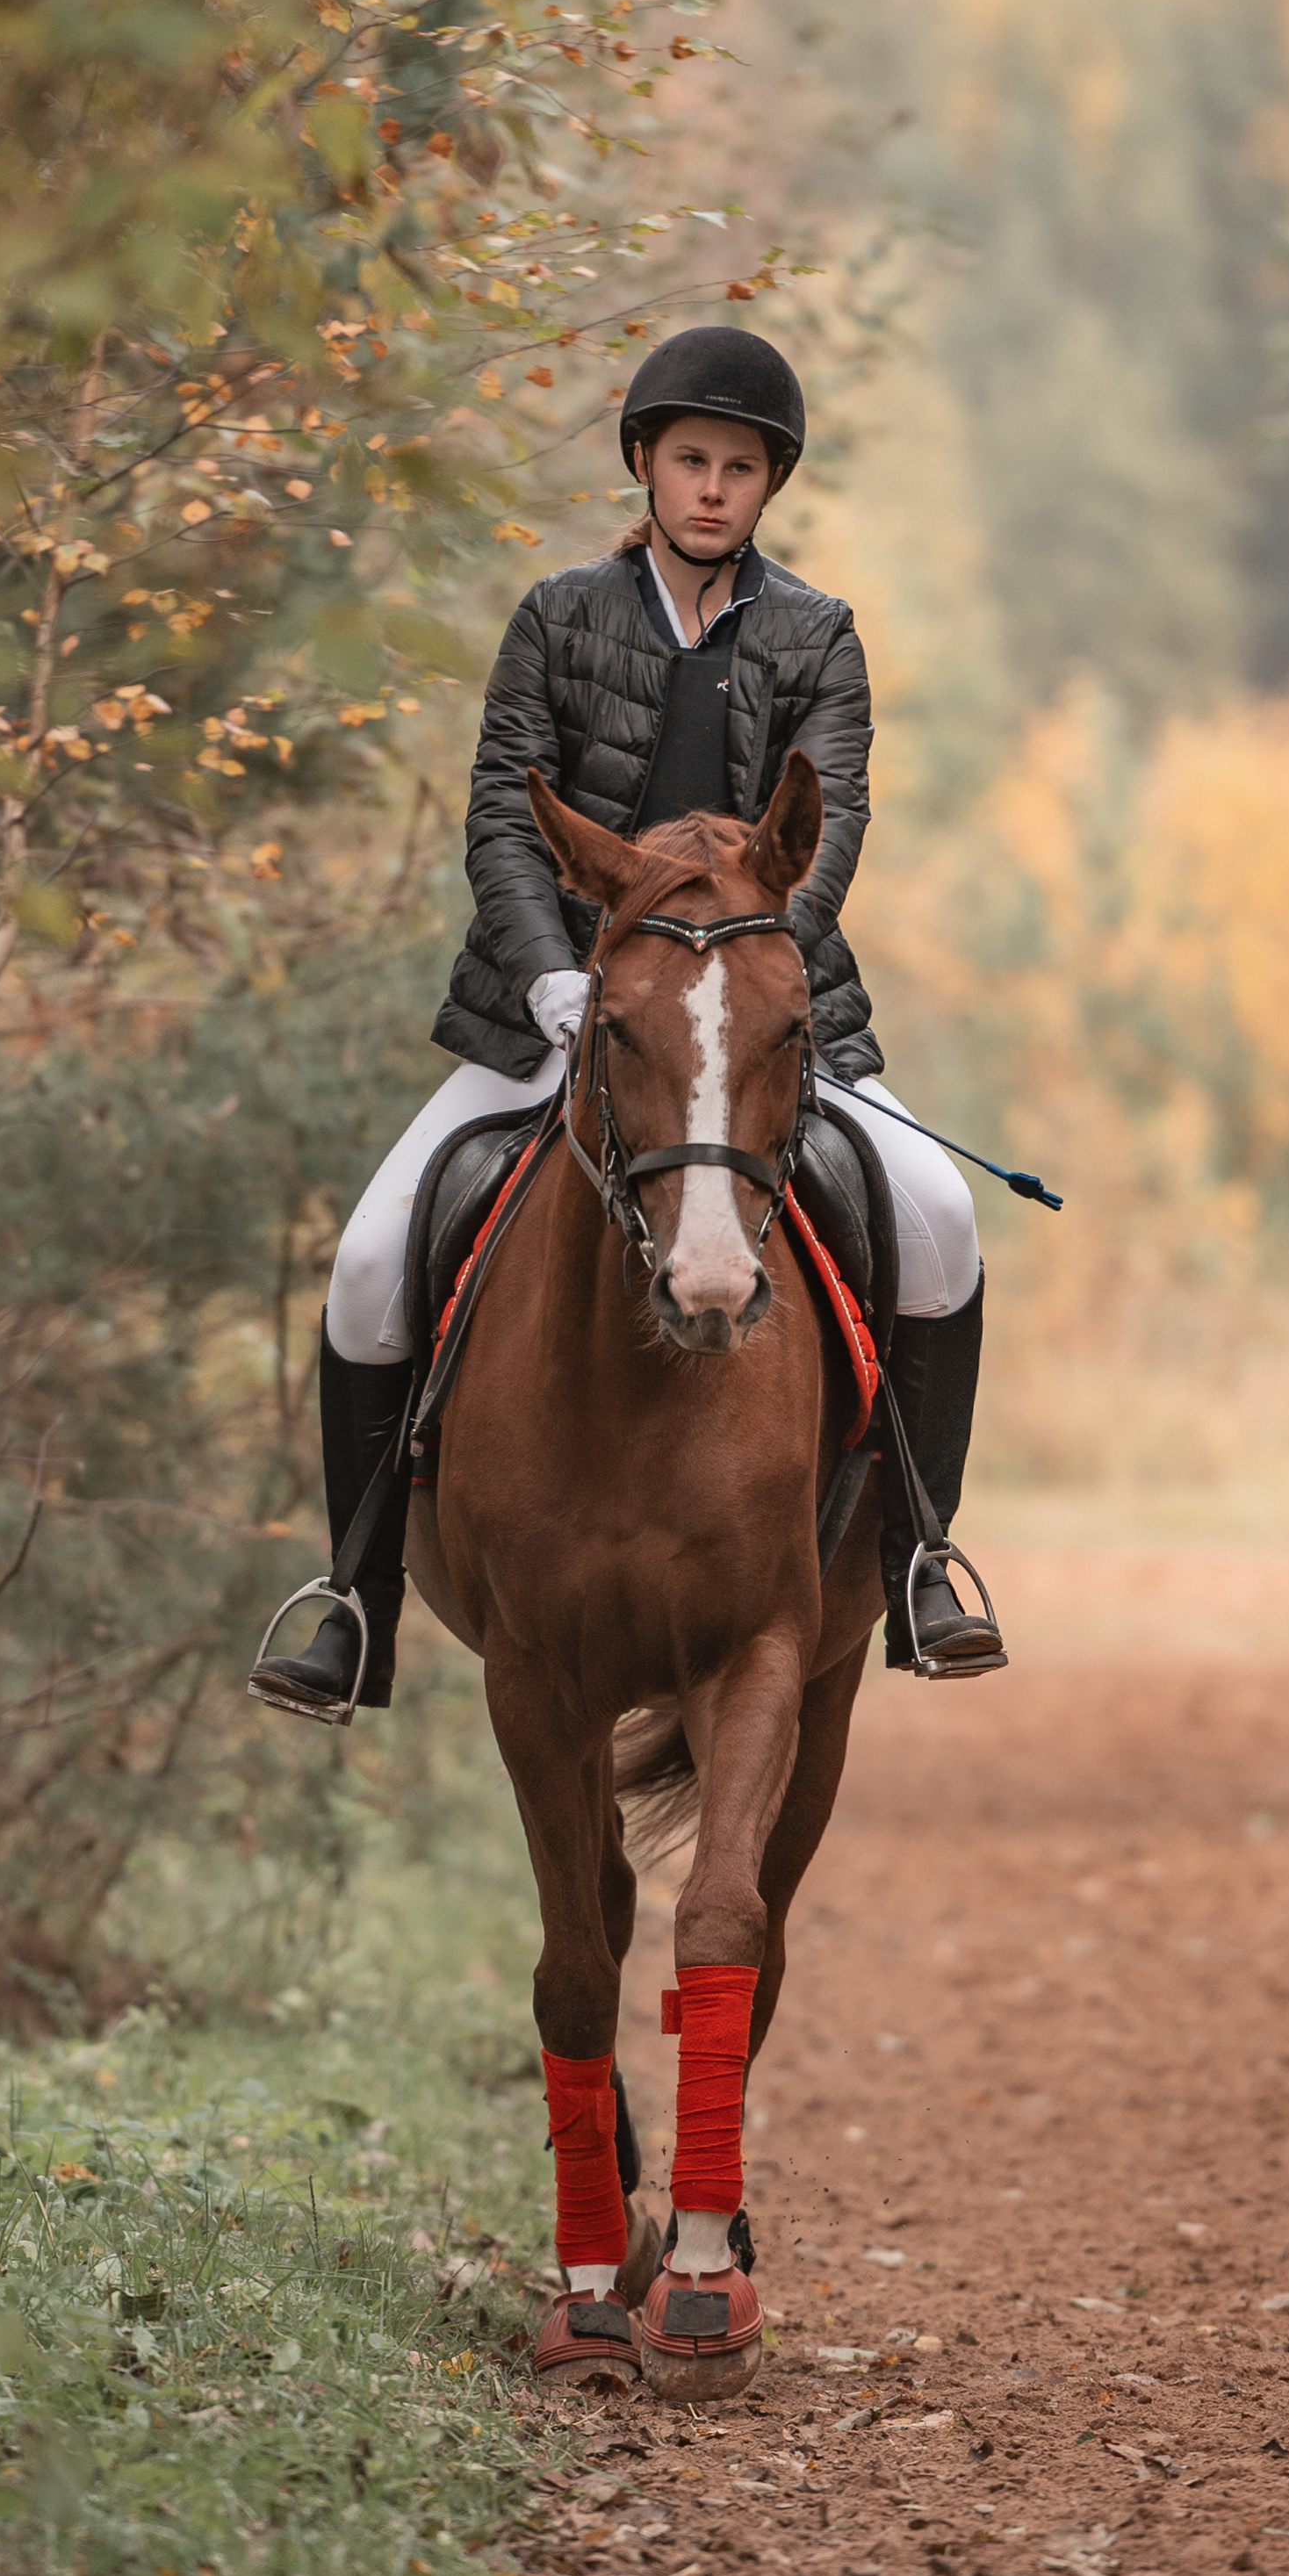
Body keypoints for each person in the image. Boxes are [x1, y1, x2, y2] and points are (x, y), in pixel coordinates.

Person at [250, 323, 1005, 1717]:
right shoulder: (556, 619)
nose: (711, 489)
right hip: (552, 1015)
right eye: (688, 461)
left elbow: (821, 837)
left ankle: (917, 1561)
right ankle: (354, 1601)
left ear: (767, 485)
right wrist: (552, 973)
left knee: (942, 1221)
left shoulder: (817, 636)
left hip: (766, 1018)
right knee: (367, 1265)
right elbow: (501, 810)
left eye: (737, 468)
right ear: (645, 467)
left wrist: (765, 967)